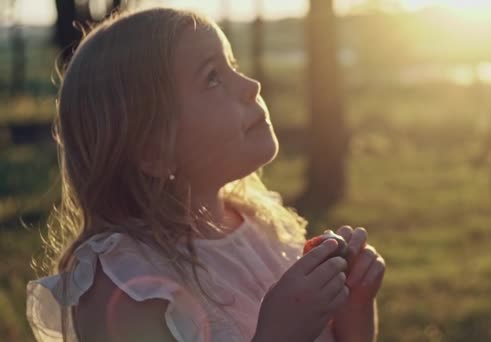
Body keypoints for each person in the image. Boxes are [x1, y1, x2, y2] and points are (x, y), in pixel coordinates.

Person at [26, 7, 385, 342]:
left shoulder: (262, 228)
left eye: (233, 65)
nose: (251, 86)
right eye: (213, 78)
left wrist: (353, 305)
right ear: (153, 150)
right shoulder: (126, 282)